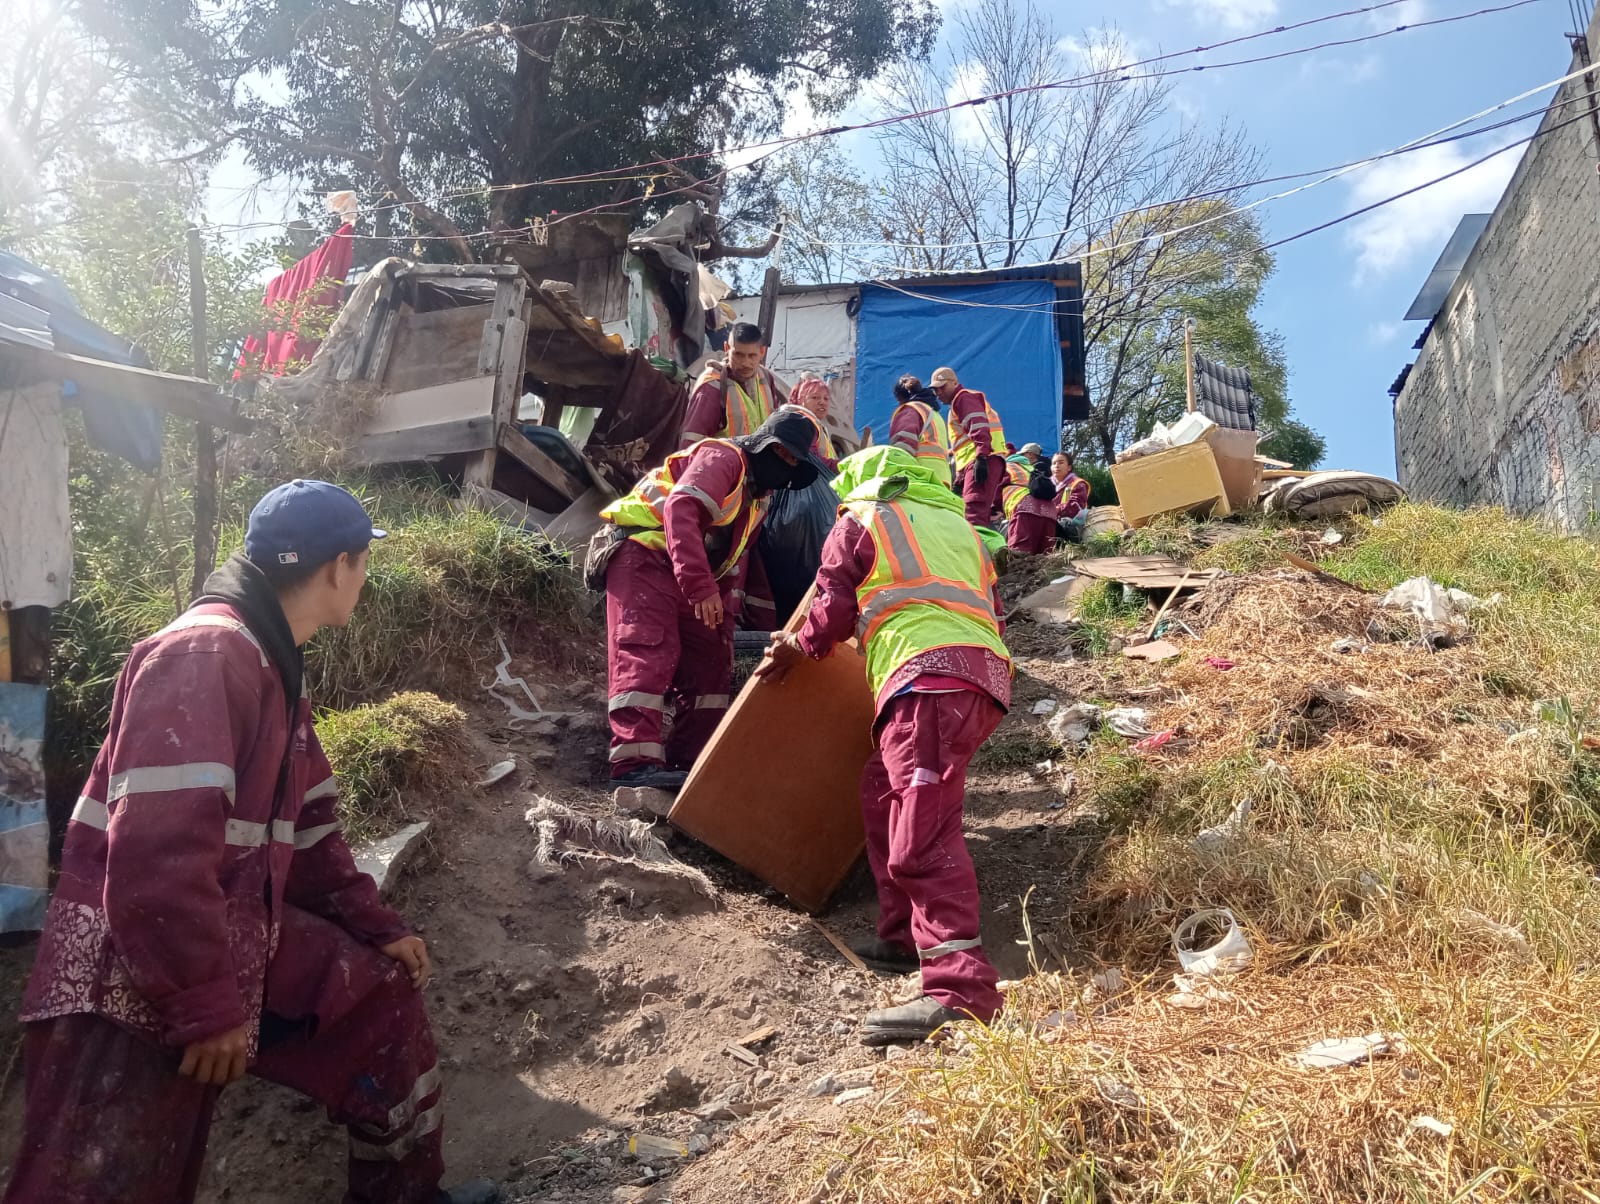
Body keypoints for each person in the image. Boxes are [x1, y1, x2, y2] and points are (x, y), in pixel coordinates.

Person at [5, 481, 495, 1204]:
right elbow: (153, 861)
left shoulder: (269, 664)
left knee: (377, 1001)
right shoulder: (205, 654)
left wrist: (376, 927)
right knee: (101, 1182)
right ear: (339, 567)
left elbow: (313, 835)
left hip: (222, 941)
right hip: (128, 975)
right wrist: (203, 1006)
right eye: (363, 563)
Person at [757, 446, 1011, 1045]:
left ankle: (959, 991)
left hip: (925, 677)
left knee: (921, 836)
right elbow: (991, 611)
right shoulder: (962, 528)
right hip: (980, 677)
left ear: (856, 481)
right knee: (883, 791)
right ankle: (901, 937)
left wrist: (797, 647)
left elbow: (831, 607)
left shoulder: (864, 518)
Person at [600, 409, 830, 790]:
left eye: (793, 460)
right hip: (642, 553)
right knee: (646, 651)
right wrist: (701, 589)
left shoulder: (758, 497)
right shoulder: (724, 458)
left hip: (683, 570)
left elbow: (740, 563)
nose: (785, 464)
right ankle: (633, 765)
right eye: (781, 454)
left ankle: (690, 761)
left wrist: (729, 614)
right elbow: (681, 508)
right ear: (762, 445)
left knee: (710, 659)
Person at [679, 322, 783, 448]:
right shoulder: (713, 386)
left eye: (752, 356)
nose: (745, 363)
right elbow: (691, 445)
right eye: (738, 355)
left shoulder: (766, 378)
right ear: (727, 349)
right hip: (726, 466)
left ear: (762, 352)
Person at [930, 366, 1007, 528]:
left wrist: (981, 456)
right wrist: (961, 477)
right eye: (936, 390)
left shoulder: (963, 399)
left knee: (974, 515)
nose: (939, 393)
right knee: (974, 513)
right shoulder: (959, 403)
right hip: (981, 461)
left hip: (982, 460)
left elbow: (979, 428)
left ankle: (976, 552)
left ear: (954, 383)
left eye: (942, 387)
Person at [887, 374, 952, 488]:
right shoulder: (934, 414)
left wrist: (895, 475)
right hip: (942, 478)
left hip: (920, 476)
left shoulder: (911, 410)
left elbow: (903, 446)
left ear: (901, 398)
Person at [1001, 457, 1060, 556]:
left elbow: (993, 493)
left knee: (1019, 556)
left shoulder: (1005, 468)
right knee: (1045, 558)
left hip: (1025, 509)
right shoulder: (1031, 469)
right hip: (1050, 512)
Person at [788, 376, 839, 468]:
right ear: (801, 400)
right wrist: (841, 466)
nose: (822, 402)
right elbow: (812, 459)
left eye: (826, 398)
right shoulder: (802, 423)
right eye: (815, 397)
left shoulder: (815, 423)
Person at [1053, 451, 1091, 541]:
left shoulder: (1078, 484)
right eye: (1054, 463)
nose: (1056, 466)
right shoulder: (1048, 485)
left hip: (1071, 526)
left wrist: (1054, 510)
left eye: (1061, 462)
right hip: (1054, 522)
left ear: (1069, 467)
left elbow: (1075, 507)